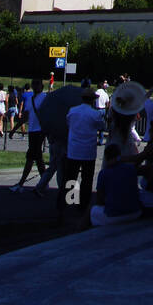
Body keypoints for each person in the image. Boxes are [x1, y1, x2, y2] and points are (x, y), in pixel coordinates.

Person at [58, 89, 105, 222]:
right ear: (92, 100)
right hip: (88, 151)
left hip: (74, 149)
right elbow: (102, 126)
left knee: (71, 178)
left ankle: (69, 201)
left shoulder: (72, 111)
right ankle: (83, 206)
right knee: (87, 179)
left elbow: (68, 124)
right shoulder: (95, 114)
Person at [89, 143, 142, 227]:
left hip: (115, 215)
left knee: (92, 210)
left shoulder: (104, 173)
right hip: (135, 212)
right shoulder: (131, 168)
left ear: (106, 157)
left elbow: (99, 200)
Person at [10, 78, 47, 191]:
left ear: (42, 86)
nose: (35, 86)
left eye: (37, 84)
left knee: (31, 156)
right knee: (37, 158)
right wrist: (14, 129)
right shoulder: (30, 99)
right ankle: (43, 184)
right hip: (32, 131)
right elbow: (25, 116)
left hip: (40, 131)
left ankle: (22, 184)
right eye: (34, 84)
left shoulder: (45, 98)